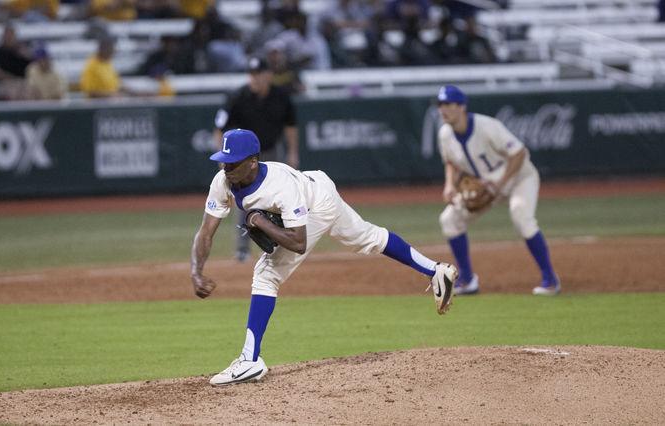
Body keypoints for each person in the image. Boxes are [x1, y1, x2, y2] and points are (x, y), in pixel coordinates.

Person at [190, 128, 459, 386]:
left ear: (252, 162)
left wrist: (260, 221)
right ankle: (436, 271)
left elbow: (298, 242)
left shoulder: (279, 187)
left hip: (317, 204)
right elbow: (206, 232)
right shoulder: (223, 181)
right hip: (316, 183)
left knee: (266, 273)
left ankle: (249, 359)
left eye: (232, 164)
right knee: (369, 237)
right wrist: (196, 271)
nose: (226, 169)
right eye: (223, 162)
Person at [435, 85, 560, 296]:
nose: (443, 109)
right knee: (449, 220)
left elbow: (519, 153)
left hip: (520, 177)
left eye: (448, 104)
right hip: (487, 185)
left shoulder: (487, 126)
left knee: (521, 214)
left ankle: (550, 279)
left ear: (462, 106)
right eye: (440, 104)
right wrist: (449, 185)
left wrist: (501, 184)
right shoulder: (445, 134)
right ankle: (467, 280)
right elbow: (451, 162)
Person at [213, 56, 299, 262]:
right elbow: (219, 128)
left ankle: (281, 245)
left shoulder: (281, 96)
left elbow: (291, 125)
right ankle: (242, 249)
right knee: (246, 201)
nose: (255, 78)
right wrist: (223, 160)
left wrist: (293, 152)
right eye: (251, 74)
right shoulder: (237, 97)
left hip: (272, 153)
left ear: (268, 75)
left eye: (258, 74)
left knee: (279, 200)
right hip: (244, 159)